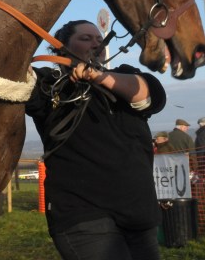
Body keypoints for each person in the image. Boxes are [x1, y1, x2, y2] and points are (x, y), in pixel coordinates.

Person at [26, 20, 166, 260]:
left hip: (139, 214)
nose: (96, 44)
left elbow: (149, 93)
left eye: (99, 40)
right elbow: (18, 76)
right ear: (62, 47)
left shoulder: (123, 74)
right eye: (86, 38)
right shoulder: (50, 84)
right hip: (84, 217)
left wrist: (97, 76)